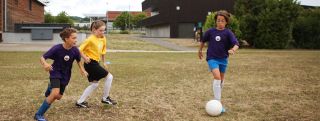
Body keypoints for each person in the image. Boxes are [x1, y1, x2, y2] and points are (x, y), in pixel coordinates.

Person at [34, 28, 87, 121]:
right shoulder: (57, 48)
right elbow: (42, 57)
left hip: (66, 75)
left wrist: (82, 70)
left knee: (58, 97)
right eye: (73, 38)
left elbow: (78, 61)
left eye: (76, 38)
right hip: (55, 72)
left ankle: (50, 87)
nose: (76, 40)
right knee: (55, 93)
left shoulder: (75, 50)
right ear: (66, 39)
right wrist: (45, 64)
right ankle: (38, 114)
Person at [198, 10, 239, 113]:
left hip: (223, 59)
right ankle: (218, 102)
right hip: (212, 58)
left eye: (222, 21)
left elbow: (236, 43)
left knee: (221, 80)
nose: (220, 22)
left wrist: (233, 50)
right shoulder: (210, 31)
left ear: (226, 22)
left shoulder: (228, 33)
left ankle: (218, 102)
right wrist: (200, 50)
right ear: (216, 21)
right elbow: (203, 41)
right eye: (218, 20)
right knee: (217, 77)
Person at [76, 20, 117, 108]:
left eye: (104, 30)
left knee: (94, 84)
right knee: (110, 76)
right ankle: (105, 98)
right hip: (90, 64)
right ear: (94, 29)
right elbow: (79, 50)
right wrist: (84, 57)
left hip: (96, 63)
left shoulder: (103, 38)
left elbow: (103, 51)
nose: (102, 32)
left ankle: (80, 102)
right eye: (100, 30)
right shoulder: (90, 39)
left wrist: (104, 62)